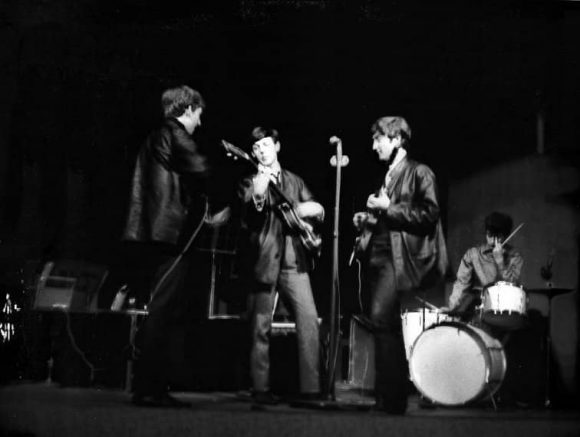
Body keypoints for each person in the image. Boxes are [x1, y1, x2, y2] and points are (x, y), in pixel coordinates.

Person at [123, 85, 228, 408]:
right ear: (189, 109)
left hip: (152, 231)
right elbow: (202, 169)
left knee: (161, 305)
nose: (199, 122)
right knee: (164, 308)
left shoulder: (155, 135)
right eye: (199, 115)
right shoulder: (175, 132)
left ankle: (149, 386)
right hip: (170, 234)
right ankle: (149, 389)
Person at [352, 116, 448, 414]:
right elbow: (389, 219)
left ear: (396, 140)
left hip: (398, 258)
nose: (374, 146)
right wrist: (367, 219)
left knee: (382, 319)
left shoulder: (419, 172)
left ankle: (391, 399)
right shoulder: (390, 175)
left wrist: (387, 208)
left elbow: (429, 213)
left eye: (378, 139)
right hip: (380, 257)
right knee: (386, 323)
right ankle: (389, 399)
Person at [238, 126, 324, 405]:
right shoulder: (249, 181)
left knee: (309, 321)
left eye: (266, 144)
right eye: (257, 147)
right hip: (264, 258)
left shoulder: (295, 181)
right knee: (259, 326)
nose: (262, 150)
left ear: (277, 146)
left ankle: (310, 389)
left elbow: (316, 209)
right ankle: (260, 388)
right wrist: (259, 195)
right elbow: (249, 218)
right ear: (252, 153)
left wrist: (313, 209)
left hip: (295, 259)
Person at [444, 211, 524, 318]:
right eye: (490, 235)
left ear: (506, 236)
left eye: (498, 236)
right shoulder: (473, 254)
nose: (493, 242)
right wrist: (451, 307)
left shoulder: (515, 256)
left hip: (506, 312)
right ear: (486, 233)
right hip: (479, 310)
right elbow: (462, 284)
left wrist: (500, 262)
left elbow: (513, 289)